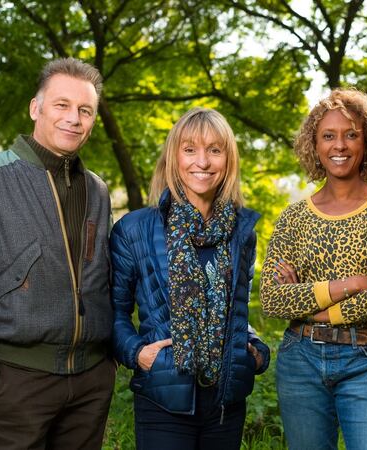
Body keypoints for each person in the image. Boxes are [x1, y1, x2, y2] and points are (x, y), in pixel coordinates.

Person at [0, 58, 116, 449]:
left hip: (90, 383)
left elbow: (103, 278)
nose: (74, 119)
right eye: (62, 105)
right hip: (15, 381)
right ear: (36, 108)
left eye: (85, 110)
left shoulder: (97, 190)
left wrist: (106, 365)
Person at [261, 88, 367, 450]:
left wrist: (311, 305)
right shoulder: (294, 217)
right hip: (300, 360)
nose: (340, 145)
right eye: (328, 136)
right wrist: (354, 283)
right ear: (314, 145)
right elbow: (271, 299)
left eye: (351, 134)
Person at [110, 107, 271, 450]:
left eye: (215, 150)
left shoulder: (241, 231)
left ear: (228, 160)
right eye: (190, 150)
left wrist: (255, 351)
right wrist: (138, 354)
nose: (203, 161)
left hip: (226, 400)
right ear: (174, 157)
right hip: (163, 396)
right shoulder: (134, 229)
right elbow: (113, 313)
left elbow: (237, 310)